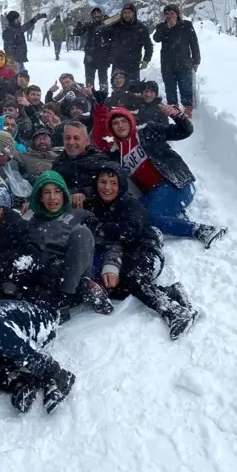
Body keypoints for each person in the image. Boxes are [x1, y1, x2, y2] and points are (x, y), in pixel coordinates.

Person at [0, 192, 76, 413]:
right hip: (3, 323)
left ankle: (51, 371)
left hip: (38, 311)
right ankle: (15, 380)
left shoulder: (21, 230)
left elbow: (35, 259)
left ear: (0, 213)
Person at [86, 163, 199, 339]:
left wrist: (101, 228)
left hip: (147, 248)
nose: (107, 187)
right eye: (103, 182)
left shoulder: (130, 203)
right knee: (116, 288)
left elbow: (129, 230)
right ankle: (170, 292)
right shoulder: (95, 204)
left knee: (132, 277)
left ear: (121, 185)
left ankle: (173, 311)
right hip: (126, 253)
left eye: (113, 183)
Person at [91, 102, 227, 247]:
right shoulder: (117, 152)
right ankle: (175, 216)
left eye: (124, 121)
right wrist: (100, 111)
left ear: (131, 122)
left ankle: (202, 230)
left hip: (176, 183)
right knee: (128, 214)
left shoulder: (146, 132)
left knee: (149, 219)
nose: (120, 125)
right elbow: (100, 140)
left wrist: (177, 115)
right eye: (115, 123)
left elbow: (184, 131)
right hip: (152, 194)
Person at [28, 171, 114, 315]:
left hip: (75, 270)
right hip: (50, 277)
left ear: (64, 194)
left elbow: (108, 242)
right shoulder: (32, 225)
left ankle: (68, 295)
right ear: (40, 198)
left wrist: (112, 265)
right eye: (47, 193)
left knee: (82, 233)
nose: (52, 197)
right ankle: (81, 289)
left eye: (57, 191)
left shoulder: (80, 214)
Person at [153, 4, 201, 118]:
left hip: (184, 63)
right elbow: (156, 38)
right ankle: (174, 114)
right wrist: (167, 27)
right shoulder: (161, 26)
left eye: (172, 13)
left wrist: (196, 61)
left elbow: (194, 43)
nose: (169, 16)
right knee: (170, 90)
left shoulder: (186, 25)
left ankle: (188, 114)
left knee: (186, 89)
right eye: (167, 14)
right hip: (167, 65)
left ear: (177, 14)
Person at [52, 121, 108, 208]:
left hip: (96, 210)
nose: (71, 142)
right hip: (64, 212)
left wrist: (85, 193)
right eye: (67, 138)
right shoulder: (58, 162)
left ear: (87, 141)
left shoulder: (100, 161)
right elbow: (50, 185)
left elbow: (110, 188)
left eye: (76, 138)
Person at [100, 3, 153, 83]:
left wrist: (146, 60)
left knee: (133, 90)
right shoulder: (115, 26)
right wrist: (107, 23)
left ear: (134, 14)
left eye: (129, 12)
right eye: (125, 13)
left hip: (133, 65)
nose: (127, 15)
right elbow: (102, 35)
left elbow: (148, 46)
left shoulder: (141, 28)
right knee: (117, 89)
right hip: (117, 64)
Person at [73, 7, 110, 90]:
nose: (96, 15)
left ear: (101, 14)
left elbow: (114, 34)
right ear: (92, 15)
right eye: (94, 13)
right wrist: (78, 24)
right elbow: (76, 33)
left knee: (103, 82)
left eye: (98, 13)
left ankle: (103, 99)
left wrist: (109, 21)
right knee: (89, 82)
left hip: (103, 57)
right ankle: (91, 99)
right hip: (90, 57)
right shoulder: (89, 25)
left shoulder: (107, 25)